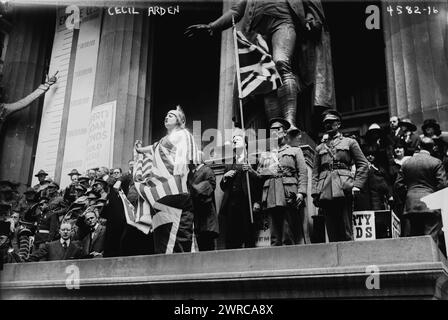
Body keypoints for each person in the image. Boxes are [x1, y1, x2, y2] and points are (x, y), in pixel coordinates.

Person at [185, 0, 334, 131]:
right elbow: (236, 10)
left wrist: (310, 15)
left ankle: (290, 121)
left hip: (283, 22)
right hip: (256, 30)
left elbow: (310, 5)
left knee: (281, 63)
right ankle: (276, 126)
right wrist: (212, 27)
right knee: (265, 76)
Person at [134, 105, 200, 254]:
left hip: (177, 186)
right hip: (161, 191)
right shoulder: (163, 140)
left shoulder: (184, 134)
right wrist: (139, 150)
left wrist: (181, 167)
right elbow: (152, 147)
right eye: (166, 115)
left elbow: (190, 154)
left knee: (180, 234)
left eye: (171, 115)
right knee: (163, 234)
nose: (167, 116)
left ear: (179, 120)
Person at [311, 110, 369, 242]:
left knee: (346, 228)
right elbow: (315, 172)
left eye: (331, 122)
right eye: (326, 123)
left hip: (344, 187)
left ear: (338, 124)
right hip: (325, 189)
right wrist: (315, 192)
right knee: (331, 230)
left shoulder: (350, 142)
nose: (328, 125)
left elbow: (363, 164)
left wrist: (357, 185)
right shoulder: (320, 148)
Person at [256, 118, 308, 246]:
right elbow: (259, 175)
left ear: (284, 133)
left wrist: (301, 192)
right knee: (274, 235)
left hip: (288, 192)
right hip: (271, 193)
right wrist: (266, 170)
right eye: (271, 130)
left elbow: (302, 173)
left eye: (277, 129)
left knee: (288, 232)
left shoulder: (295, 151)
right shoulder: (266, 155)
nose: (274, 132)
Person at [394, 137, 448, 250]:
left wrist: (409, 195)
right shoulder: (436, 162)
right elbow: (443, 185)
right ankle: (432, 265)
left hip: (411, 204)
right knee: (431, 238)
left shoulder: (407, 163)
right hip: (430, 204)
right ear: (433, 148)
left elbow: (398, 185)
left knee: (416, 238)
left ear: (419, 147)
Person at [219, 128, 261, 249]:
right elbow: (223, 187)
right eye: (233, 141)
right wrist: (224, 178)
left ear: (245, 144)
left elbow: (260, 182)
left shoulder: (253, 160)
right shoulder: (229, 163)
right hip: (231, 202)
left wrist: (257, 201)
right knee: (232, 236)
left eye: (237, 139)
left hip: (247, 201)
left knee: (248, 234)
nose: (234, 142)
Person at [187, 157, 219, 251]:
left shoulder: (207, 170)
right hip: (197, 216)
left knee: (208, 244)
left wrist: (193, 189)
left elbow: (210, 186)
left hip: (206, 215)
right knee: (201, 243)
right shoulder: (191, 173)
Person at [354, 146, 391, 211]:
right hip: (364, 200)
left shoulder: (379, 169)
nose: (370, 156)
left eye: (372, 155)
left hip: (375, 201)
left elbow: (384, 185)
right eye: (368, 155)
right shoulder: (359, 168)